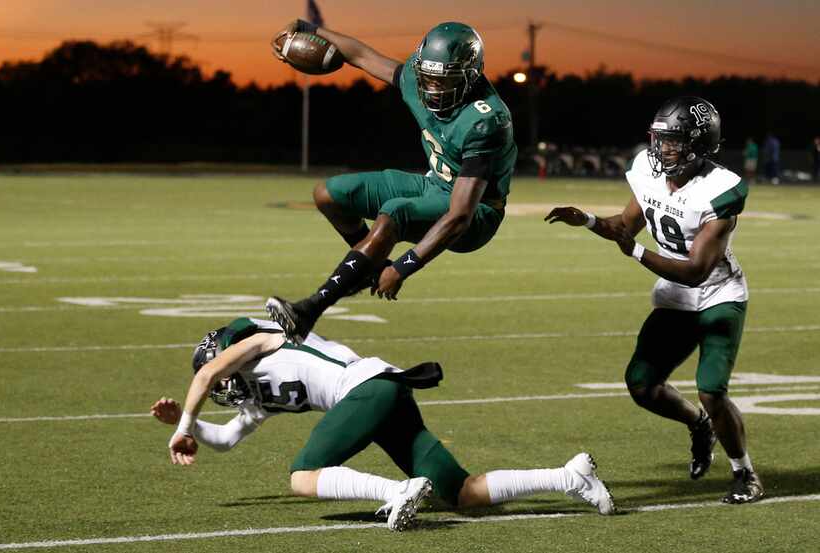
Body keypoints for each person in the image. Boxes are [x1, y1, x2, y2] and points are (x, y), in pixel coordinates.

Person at [154, 317, 614, 531]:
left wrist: (186, 420)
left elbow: (206, 374)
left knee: (301, 475)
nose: (218, 387)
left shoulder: (261, 340)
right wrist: (188, 427)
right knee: (463, 493)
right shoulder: (258, 394)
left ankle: (397, 492)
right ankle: (570, 476)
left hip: (367, 390)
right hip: (383, 391)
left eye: (219, 377)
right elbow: (228, 438)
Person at [545, 97, 763, 504]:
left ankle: (745, 474)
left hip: (718, 294)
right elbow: (624, 224)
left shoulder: (721, 191)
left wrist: (637, 252)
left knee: (711, 390)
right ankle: (699, 425)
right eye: (659, 140)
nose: (662, 149)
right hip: (675, 297)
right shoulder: (648, 170)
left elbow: (696, 270)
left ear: (699, 145)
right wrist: (588, 220)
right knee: (641, 384)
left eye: (673, 141)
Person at [267, 20, 517, 345]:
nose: (432, 89)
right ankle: (367, 267)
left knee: (393, 214)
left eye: (444, 81)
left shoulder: (486, 119)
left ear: (471, 76)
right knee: (330, 193)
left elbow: (459, 216)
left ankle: (308, 311)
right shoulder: (418, 78)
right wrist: (311, 27)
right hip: (436, 184)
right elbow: (358, 55)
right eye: (429, 78)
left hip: (478, 213)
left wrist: (403, 267)